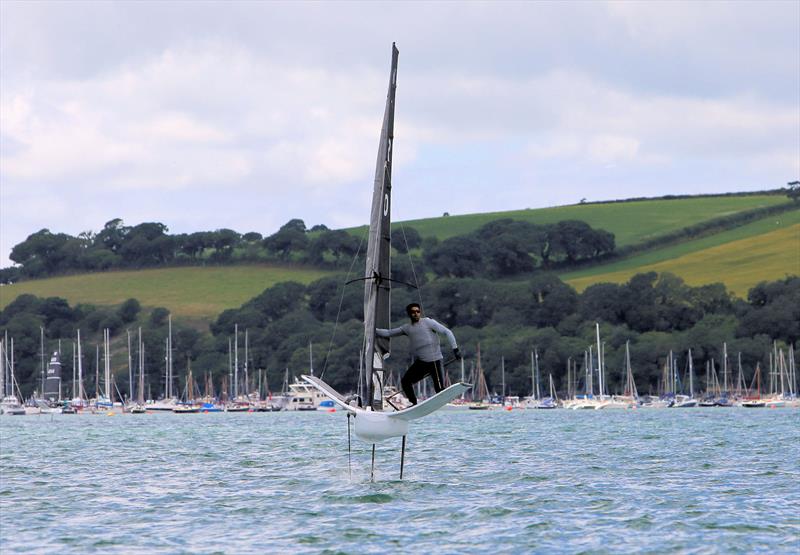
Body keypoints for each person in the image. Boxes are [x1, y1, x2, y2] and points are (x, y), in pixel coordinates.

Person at [375, 303, 461, 405]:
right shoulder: (406, 328)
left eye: (418, 311)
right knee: (405, 382)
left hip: (436, 362)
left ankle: (443, 392)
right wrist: (372, 329)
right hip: (422, 363)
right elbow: (388, 333)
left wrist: (455, 349)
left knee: (439, 389)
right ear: (409, 314)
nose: (416, 314)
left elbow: (448, 332)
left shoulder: (428, 322)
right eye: (413, 312)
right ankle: (413, 403)